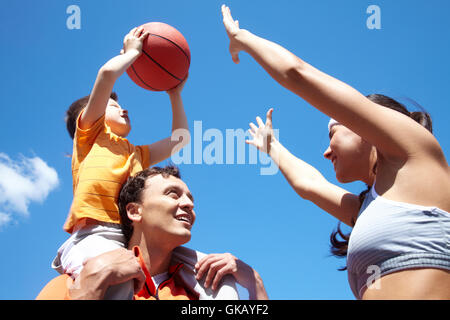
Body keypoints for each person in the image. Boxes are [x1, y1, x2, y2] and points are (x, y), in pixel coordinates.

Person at [221, 5, 450, 299]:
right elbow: (309, 184)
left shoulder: (416, 153)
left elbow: (297, 73)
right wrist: (272, 148)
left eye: (332, 133)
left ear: (366, 128)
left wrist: (242, 37)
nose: (326, 152)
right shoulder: (366, 208)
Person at [51, 27, 190, 299]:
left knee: (202, 273)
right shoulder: (90, 137)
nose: (123, 108)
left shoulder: (137, 154)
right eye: (113, 106)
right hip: (97, 235)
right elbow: (106, 76)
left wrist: (175, 95)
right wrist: (131, 54)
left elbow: (180, 140)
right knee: (121, 282)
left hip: (136, 240)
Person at [37, 166, 268, 300]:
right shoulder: (69, 285)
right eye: (173, 194)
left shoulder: (197, 296)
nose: (189, 204)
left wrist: (254, 282)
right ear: (135, 211)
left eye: (190, 199)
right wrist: (88, 290)